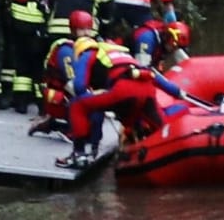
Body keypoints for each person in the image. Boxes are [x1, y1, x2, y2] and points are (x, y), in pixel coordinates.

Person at [59, 34, 187, 169]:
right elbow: (152, 74)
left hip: (123, 91)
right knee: (162, 128)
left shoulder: (88, 53)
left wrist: (92, 93)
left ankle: (79, 154)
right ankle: (173, 153)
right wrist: (177, 92)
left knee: (77, 105)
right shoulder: (121, 53)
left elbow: (79, 87)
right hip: (147, 91)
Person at [28, 8, 95, 137]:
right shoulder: (66, 50)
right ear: (74, 30)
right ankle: (62, 125)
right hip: (61, 94)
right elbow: (71, 82)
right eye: (82, 29)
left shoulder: (87, 48)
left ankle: (54, 124)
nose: (86, 33)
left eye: (88, 29)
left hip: (73, 90)